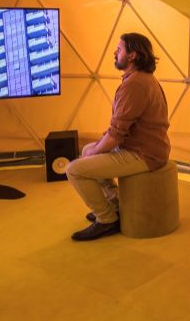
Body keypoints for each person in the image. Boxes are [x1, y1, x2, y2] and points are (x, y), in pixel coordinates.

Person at [66, 32, 171, 241]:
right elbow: (119, 125)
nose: (115, 52)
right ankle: (114, 204)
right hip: (139, 146)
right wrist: (95, 149)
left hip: (144, 154)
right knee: (88, 151)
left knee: (75, 170)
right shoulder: (139, 79)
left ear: (132, 55)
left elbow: (116, 134)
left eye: (119, 48)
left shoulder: (135, 84)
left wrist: (97, 150)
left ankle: (106, 220)